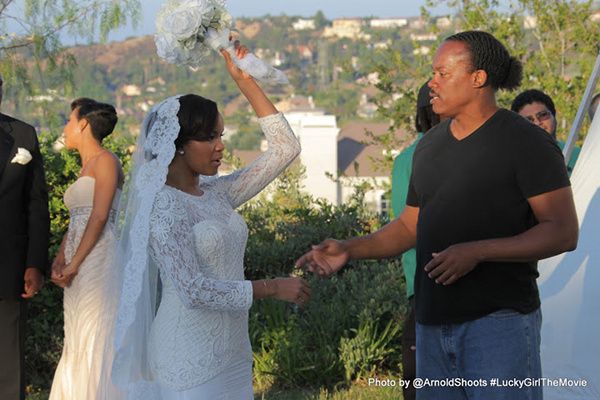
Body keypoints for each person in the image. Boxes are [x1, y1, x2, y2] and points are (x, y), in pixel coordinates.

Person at [297, 30, 579, 400]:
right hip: (431, 327)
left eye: (443, 73)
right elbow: (409, 226)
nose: (432, 83)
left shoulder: (527, 143)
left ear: (478, 79)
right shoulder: (428, 147)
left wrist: (477, 252)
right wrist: (349, 249)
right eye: (433, 73)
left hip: (499, 326)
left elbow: (562, 231)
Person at [105, 42, 309, 399]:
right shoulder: (162, 206)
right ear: (178, 144)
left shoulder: (218, 192)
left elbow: (285, 149)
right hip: (188, 358)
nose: (220, 146)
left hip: (234, 353)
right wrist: (272, 287)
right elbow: (193, 290)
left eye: (221, 136)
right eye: (209, 137)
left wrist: (245, 81)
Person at [49, 98, 124, 399]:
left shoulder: (107, 161)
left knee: (97, 333)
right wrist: (59, 260)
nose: (65, 128)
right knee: (78, 334)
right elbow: (77, 220)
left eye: (69, 121)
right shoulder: (86, 168)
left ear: (83, 124)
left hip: (98, 260)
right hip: (77, 262)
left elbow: (100, 215)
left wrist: (75, 263)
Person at [0, 73, 50, 400]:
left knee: (8, 362)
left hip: (10, 265)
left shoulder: (24, 134)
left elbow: (37, 205)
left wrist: (35, 264)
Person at [390, 81, 440, 400]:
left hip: (420, 284)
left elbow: (401, 225)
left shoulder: (406, 157)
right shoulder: (415, 156)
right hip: (434, 283)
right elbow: (407, 226)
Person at [511, 89, 580, 175]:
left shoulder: (579, 156)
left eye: (543, 115)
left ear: (554, 116)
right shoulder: (511, 166)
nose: (537, 123)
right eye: (528, 120)